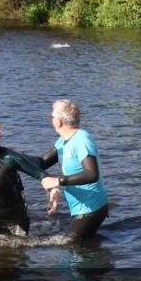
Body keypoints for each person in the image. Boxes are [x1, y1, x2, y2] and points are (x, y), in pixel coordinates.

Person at [38, 99, 109, 241]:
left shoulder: (82, 140)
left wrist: (58, 181)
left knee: (72, 246)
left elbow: (92, 174)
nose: (51, 120)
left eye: (51, 117)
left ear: (58, 121)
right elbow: (42, 163)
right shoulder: (62, 141)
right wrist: (13, 157)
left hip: (91, 208)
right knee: (84, 247)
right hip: (82, 208)